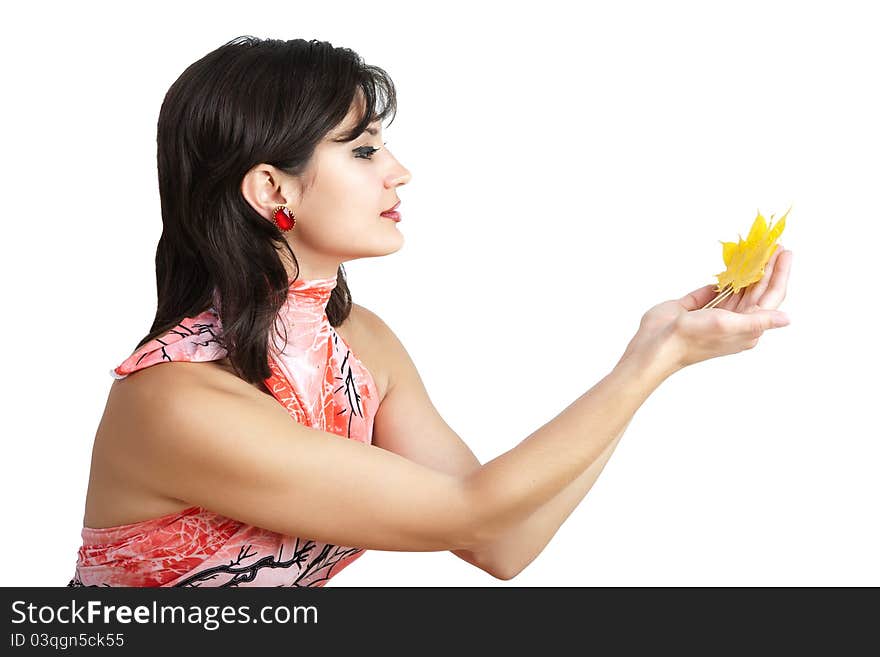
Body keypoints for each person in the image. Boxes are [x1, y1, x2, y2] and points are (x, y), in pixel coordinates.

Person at [68, 35, 793, 587]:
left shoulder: (360, 342)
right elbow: (474, 510)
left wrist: (658, 352)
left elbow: (500, 543)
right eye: (360, 150)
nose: (398, 171)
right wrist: (649, 361)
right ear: (271, 190)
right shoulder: (178, 397)